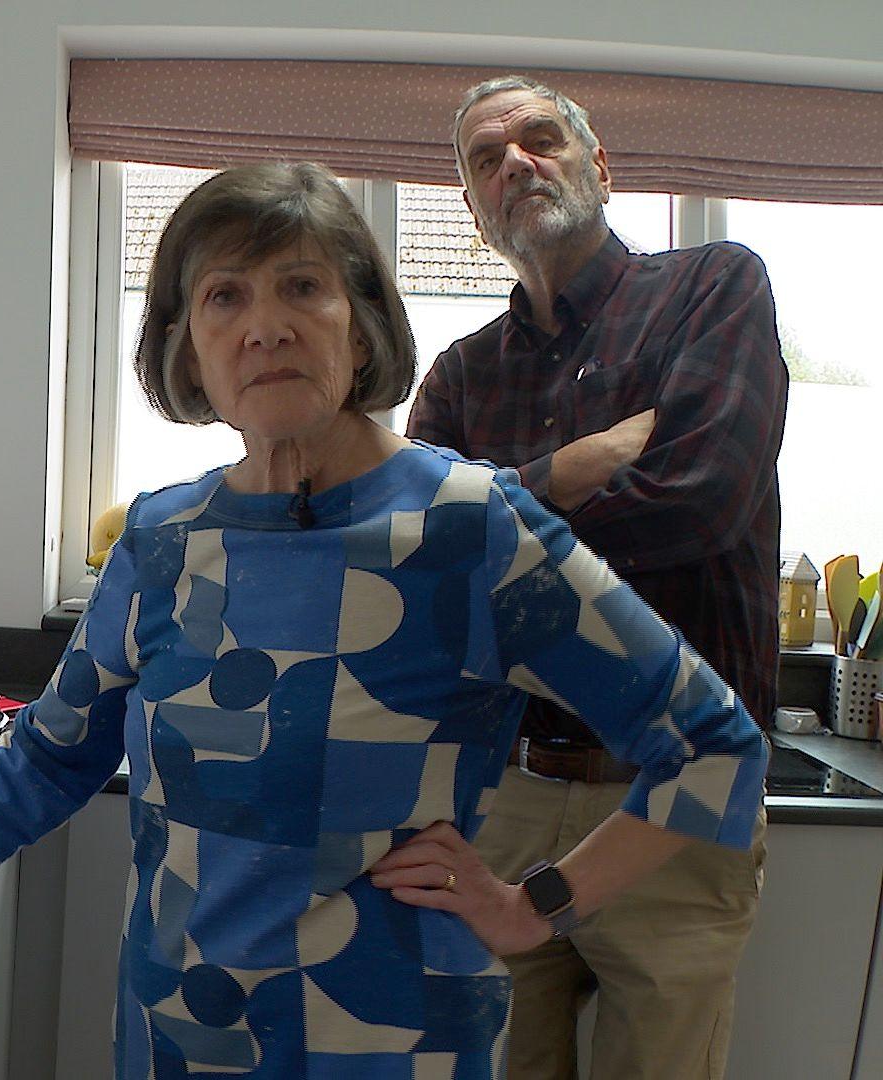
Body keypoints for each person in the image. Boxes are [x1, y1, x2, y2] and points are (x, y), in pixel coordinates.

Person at [0, 161, 767, 1077]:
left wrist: (535, 904)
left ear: (361, 326)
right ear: (189, 354)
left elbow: (714, 748)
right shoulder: (164, 540)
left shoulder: (472, 528)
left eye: (302, 285)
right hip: (181, 1035)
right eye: (225, 297)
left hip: (392, 1047)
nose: (265, 324)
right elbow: (41, 764)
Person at [407, 76, 785, 1079]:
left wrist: (495, 510)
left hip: (676, 801)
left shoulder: (715, 287)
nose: (515, 164)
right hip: (504, 799)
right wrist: (566, 472)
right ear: (475, 214)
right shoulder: (456, 374)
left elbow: (698, 501)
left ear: (600, 167)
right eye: (486, 160)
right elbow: (419, 569)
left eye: (539, 140)